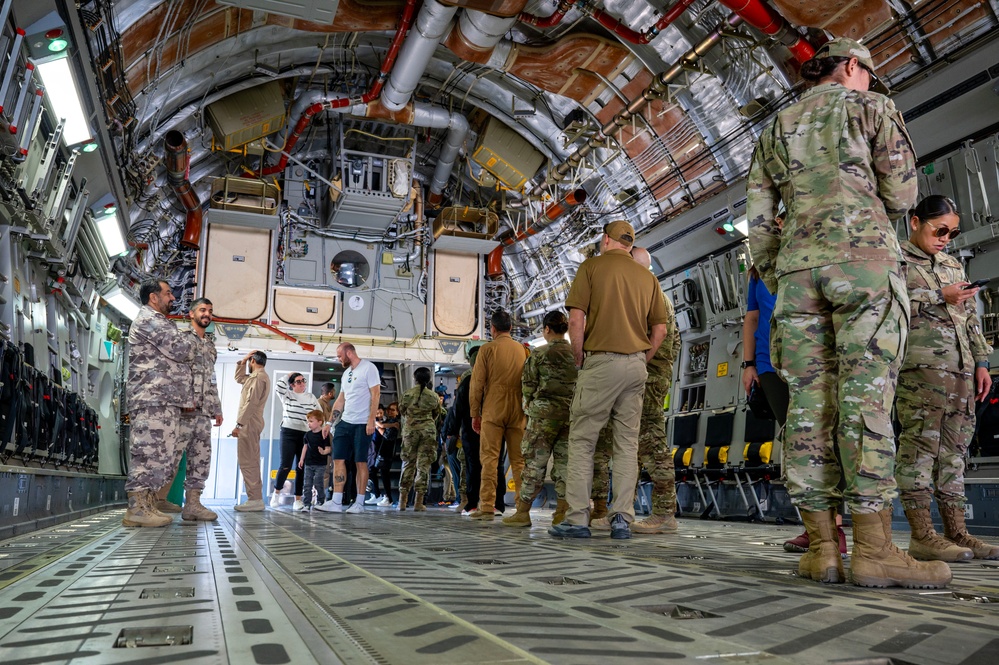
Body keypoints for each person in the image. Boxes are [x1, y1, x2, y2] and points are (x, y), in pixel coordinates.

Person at [747, 37, 950, 588]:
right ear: (854, 67)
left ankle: (820, 549)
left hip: (795, 276)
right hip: (864, 269)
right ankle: (875, 550)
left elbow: (759, 221)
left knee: (809, 409)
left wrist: (780, 274)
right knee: (866, 402)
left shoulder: (773, 128)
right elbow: (904, 194)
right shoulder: (872, 107)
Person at [549, 221, 668, 540]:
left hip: (600, 362)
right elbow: (660, 330)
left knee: (583, 440)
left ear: (605, 240)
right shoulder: (648, 278)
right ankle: (621, 519)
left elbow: (576, 319)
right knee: (627, 444)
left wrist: (578, 355)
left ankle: (576, 519)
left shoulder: (591, 268)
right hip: (635, 366)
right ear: (629, 245)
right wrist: (642, 358)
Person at [896, 195, 996, 561]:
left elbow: (970, 318)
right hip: (921, 370)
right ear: (915, 222)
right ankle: (922, 535)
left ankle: (958, 532)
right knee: (920, 449)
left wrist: (982, 362)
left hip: (962, 371)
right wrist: (939, 295)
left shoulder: (953, 265)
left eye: (952, 233)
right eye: (940, 230)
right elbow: (885, 305)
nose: (945, 239)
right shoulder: (896, 260)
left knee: (955, 452)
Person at [742, 262, 847, 555]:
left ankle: (833, 527)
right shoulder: (759, 271)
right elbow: (752, 318)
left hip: (815, 360)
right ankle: (815, 526)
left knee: (825, 439)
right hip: (769, 364)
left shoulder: (816, 255)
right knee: (797, 441)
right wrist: (749, 364)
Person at [122, 279, 199, 527]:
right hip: (151, 399)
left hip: (161, 400)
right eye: (168, 293)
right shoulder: (150, 320)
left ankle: (144, 505)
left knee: (158, 455)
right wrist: (190, 338)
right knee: (147, 454)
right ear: (153, 297)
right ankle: (136, 508)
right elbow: (183, 349)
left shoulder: (161, 322)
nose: (173, 298)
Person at [503, 310, 576, 527]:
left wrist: (530, 408)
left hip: (543, 417)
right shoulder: (577, 353)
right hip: (571, 416)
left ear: (546, 329)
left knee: (534, 463)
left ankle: (523, 512)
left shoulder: (539, 354)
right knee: (565, 464)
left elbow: (528, 386)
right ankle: (562, 512)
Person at [469, 310, 531, 519]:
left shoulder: (486, 350)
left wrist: (474, 413)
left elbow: (476, 384)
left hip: (493, 409)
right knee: (519, 461)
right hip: (518, 409)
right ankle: (522, 509)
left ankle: (486, 506)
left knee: (489, 460)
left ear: (492, 329)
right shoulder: (523, 350)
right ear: (511, 328)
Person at [318, 343, 380, 513]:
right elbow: (340, 400)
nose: (338, 359)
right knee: (338, 459)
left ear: (349, 352)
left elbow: (376, 394)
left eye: (340, 356)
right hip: (345, 422)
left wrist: (371, 420)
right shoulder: (347, 373)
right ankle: (337, 501)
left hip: (362, 423)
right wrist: (330, 423)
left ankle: (359, 503)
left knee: (360, 462)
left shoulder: (369, 368)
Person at [176, 297, 223, 521]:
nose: (207, 314)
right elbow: (175, 375)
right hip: (183, 411)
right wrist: (183, 400)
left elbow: (211, 379)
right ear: (192, 313)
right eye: (203, 310)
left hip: (204, 413)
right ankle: (151, 502)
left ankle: (192, 504)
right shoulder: (182, 339)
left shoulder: (210, 345)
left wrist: (217, 408)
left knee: (201, 459)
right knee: (169, 457)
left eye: (210, 311)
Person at [271, 371, 322, 511]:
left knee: (301, 467)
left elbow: (319, 414)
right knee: (285, 465)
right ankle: (276, 493)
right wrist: (288, 375)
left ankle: (298, 499)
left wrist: (318, 431)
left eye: (303, 380)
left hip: (305, 434)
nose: (302, 383)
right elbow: (278, 387)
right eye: (298, 381)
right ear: (292, 385)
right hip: (288, 432)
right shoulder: (287, 395)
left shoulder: (311, 397)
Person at [398, 367, 442, 511]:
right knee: (423, 466)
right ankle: (418, 502)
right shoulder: (434, 396)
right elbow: (437, 414)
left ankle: (402, 502)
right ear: (429, 379)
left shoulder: (407, 394)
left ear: (414, 378)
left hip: (410, 431)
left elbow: (402, 411)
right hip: (428, 432)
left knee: (408, 464)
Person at [233, 350, 270, 511]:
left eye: (249, 361)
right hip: (249, 422)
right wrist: (242, 362)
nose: (247, 363)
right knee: (248, 460)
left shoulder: (259, 378)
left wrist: (239, 424)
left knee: (249, 461)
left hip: (249, 423)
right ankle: (254, 498)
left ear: (253, 360)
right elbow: (239, 378)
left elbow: (251, 403)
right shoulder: (255, 377)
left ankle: (254, 499)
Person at [450, 346, 482, 514]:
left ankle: (469, 502)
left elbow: (459, 407)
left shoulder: (468, 378)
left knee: (470, 466)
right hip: (493, 427)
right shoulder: (494, 376)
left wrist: (453, 430)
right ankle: (492, 502)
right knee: (491, 464)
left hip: (470, 427)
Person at [298, 409, 332, 511]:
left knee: (318, 482)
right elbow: (305, 447)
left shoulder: (324, 434)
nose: (309, 424)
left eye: (311, 421)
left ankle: (321, 500)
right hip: (309, 463)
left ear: (320, 422)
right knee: (307, 484)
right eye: (308, 421)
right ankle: (306, 503)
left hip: (320, 464)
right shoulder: (307, 435)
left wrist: (323, 452)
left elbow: (328, 448)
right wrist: (301, 459)